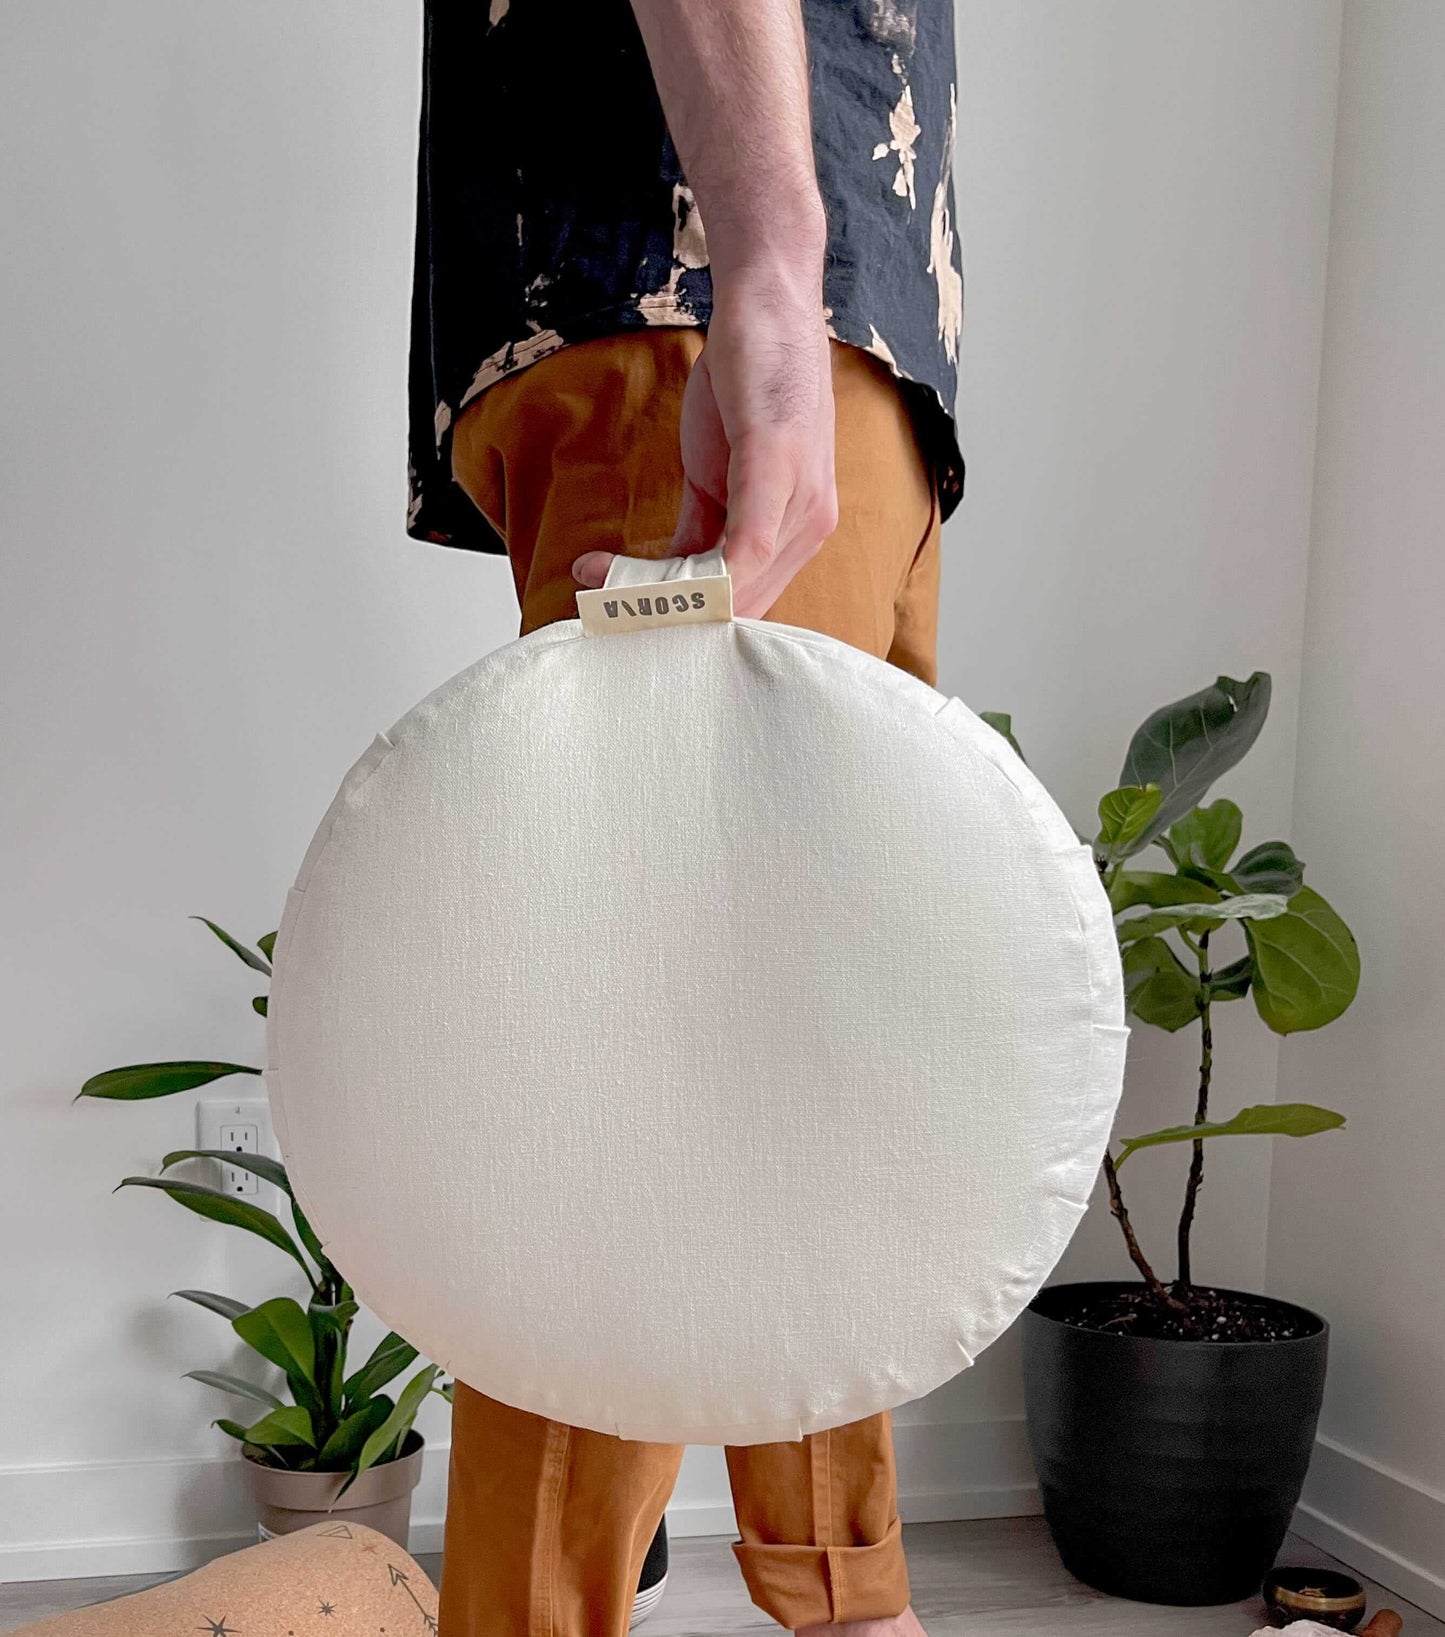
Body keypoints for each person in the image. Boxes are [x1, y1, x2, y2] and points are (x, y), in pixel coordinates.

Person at [406, 3, 964, 1633]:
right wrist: (772, 269)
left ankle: (844, 1589)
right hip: (710, 289)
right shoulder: (749, 282)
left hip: (836, 324)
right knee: (636, 1062)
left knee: (812, 1023)